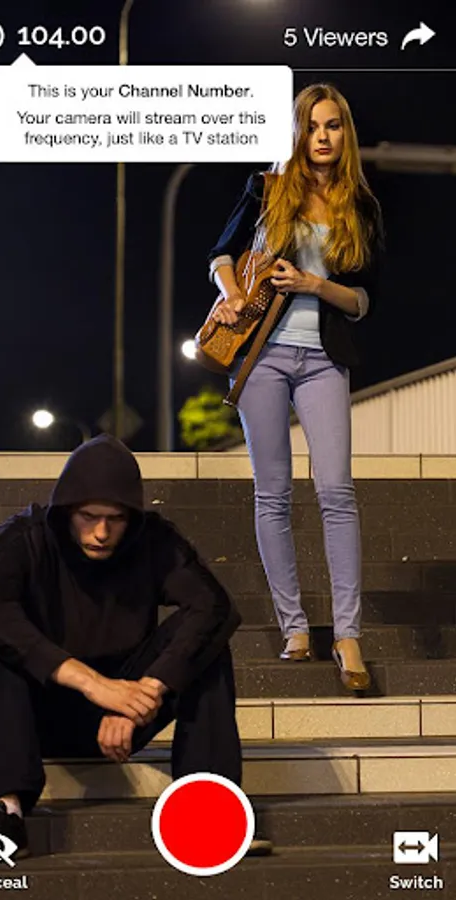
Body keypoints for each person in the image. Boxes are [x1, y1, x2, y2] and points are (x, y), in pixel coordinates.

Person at [0, 434, 272, 861]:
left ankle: (207, 810)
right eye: (88, 517)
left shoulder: (154, 540)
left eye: (116, 519)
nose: (102, 533)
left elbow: (214, 607)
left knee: (207, 643)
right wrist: (96, 686)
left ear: (132, 518)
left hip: (128, 711)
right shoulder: (23, 540)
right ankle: (5, 814)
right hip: (38, 715)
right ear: (66, 511)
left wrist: (144, 693)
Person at [207, 83, 384, 692]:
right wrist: (233, 295)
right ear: (298, 133)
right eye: (312, 126)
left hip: (324, 359)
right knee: (273, 494)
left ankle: (348, 635)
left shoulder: (361, 204)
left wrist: (315, 285)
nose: (323, 137)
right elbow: (220, 254)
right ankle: (295, 628)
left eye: (332, 125)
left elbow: (364, 300)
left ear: (345, 133)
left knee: (336, 491)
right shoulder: (267, 188)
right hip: (260, 356)